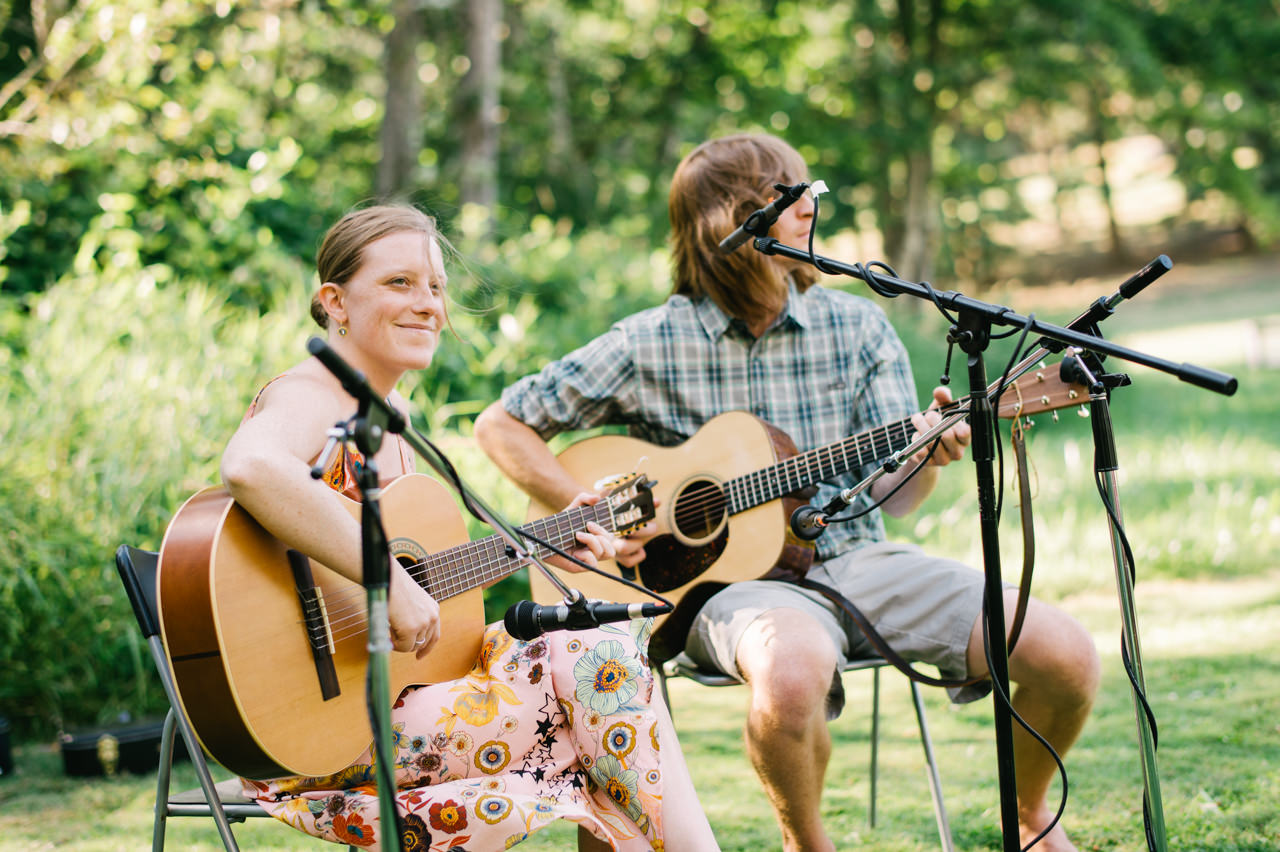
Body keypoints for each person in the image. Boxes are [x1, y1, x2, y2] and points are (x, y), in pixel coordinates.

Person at [473, 133, 1101, 852]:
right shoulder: (648, 342)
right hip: (727, 589)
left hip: (861, 559)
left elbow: (897, 496)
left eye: (807, 190)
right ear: (726, 222)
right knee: (794, 669)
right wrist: (587, 505)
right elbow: (502, 425)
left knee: (1066, 654)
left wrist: (930, 452)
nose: (809, 207)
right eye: (785, 194)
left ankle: (1026, 816)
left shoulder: (858, 323)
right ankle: (809, 845)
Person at [219, 204, 720, 852]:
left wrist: (554, 545)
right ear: (334, 301)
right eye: (399, 283)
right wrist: (386, 581)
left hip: (400, 701)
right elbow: (251, 465)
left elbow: (431, 595)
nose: (428, 303)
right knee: (598, 689)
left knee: (597, 644)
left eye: (435, 286)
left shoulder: (393, 410)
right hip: (322, 731)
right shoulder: (314, 393)